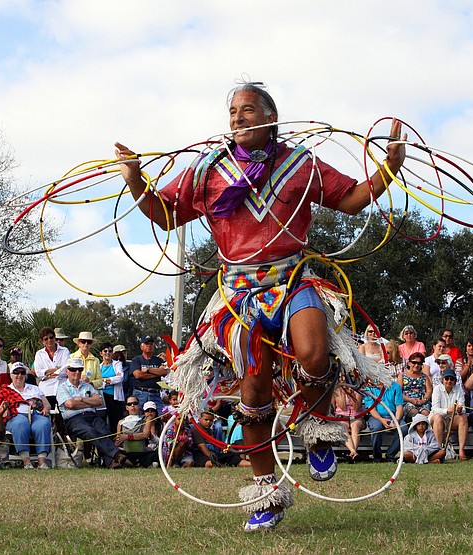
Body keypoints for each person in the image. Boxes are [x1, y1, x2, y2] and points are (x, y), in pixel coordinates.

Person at [116, 82, 403, 531]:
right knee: (254, 394)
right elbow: (166, 214)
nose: (237, 117)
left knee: (314, 354)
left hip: (293, 278)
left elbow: (351, 199)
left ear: (270, 117)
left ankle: (318, 427)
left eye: (247, 109)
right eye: (232, 111)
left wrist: (389, 167)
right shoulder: (208, 170)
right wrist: (136, 180)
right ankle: (266, 493)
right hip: (237, 292)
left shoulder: (298, 165)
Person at [57, 358, 130, 469]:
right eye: (73, 369)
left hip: (91, 415)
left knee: (105, 431)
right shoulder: (62, 388)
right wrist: (89, 402)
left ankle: (110, 462)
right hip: (73, 419)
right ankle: (117, 455)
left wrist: (81, 400)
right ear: (67, 371)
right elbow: (70, 404)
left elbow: (99, 401)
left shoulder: (87, 386)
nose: (76, 372)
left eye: (79, 369)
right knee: (90, 432)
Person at [0, 361, 52, 469]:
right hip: (16, 415)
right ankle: (26, 461)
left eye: (22, 372)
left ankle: (42, 461)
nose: (19, 375)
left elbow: (46, 403)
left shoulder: (34, 388)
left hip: (35, 414)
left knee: (43, 424)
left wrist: (46, 408)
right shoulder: (5, 390)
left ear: (26, 375)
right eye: (16, 372)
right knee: (21, 424)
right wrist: (4, 410)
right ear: (11, 375)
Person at [430, 367, 468, 461]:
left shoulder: (458, 389)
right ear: (443, 380)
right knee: (438, 418)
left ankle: (461, 451)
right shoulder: (437, 389)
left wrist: (459, 410)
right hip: (438, 419)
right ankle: (438, 452)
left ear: (455, 381)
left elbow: (463, 408)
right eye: (447, 379)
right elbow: (435, 409)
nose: (449, 381)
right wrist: (448, 411)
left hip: (452, 419)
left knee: (463, 417)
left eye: (451, 379)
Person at [363, 379, 406, 462]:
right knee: (377, 428)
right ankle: (377, 456)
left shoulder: (396, 386)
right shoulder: (369, 388)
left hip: (393, 416)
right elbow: (371, 409)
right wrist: (381, 419)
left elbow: (399, 406)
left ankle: (390, 454)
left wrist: (396, 420)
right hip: (376, 417)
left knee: (403, 429)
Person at [33, 326, 70, 409]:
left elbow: (67, 368)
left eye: (51, 337)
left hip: (62, 386)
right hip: (46, 388)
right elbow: (38, 372)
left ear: (54, 338)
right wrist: (56, 369)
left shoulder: (64, 351)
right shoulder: (39, 354)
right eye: (46, 339)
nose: (49, 340)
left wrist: (48, 374)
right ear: (42, 342)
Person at [129, 335, 168, 413]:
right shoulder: (136, 360)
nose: (149, 345)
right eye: (146, 344)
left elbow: (164, 372)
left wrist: (147, 370)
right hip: (140, 393)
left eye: (151, 344)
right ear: (141, 346)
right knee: (139, 417)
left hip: (155, 394)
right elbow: (138, 375)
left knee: (158, 416)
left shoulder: (158, 360)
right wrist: (156, 373)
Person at [333, 374, 365, 462]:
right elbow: (342, 407)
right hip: (342, 416)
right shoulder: (337, 390)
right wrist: (343, 393)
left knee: (355, 427)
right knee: (343, 428)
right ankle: (354, 452)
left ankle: (352, 453)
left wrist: (352, 396)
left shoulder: (358, 390)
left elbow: (356, 407)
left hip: (356, 416)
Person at [397, 352, 432, 420]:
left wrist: (423, 400)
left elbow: (429, 390)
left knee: (425, 413)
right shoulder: (402, 376)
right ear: (409, 363)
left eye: (419, 363)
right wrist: (410, 399)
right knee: (414, 412)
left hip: (422, 401)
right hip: (407, 401)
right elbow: (398, 392)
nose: (416, 365)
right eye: (414, 362)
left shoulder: (424, 377)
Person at [99, 342, 125, 431]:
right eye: (105, 351)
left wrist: (104, 380)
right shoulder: (99, 367)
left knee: (115, 422)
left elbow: (120, 378)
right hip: (102, 397)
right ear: (101, 353)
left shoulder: (117, 364)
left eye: (110, 351)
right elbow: (96, 382)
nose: (107, 353)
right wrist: (112, 379)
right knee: (102, 423)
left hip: (114, 397)